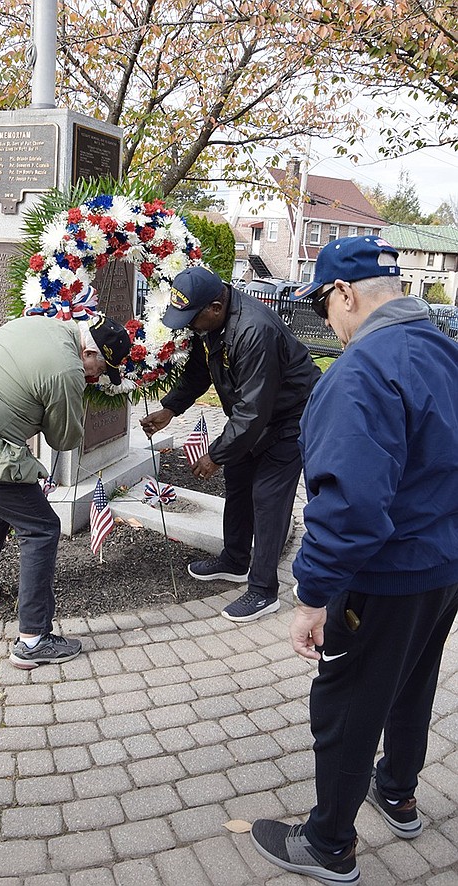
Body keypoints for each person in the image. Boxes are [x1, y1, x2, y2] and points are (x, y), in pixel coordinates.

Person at [250, 236, 458, 886]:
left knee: (347, 703)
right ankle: (396, 792)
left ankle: (328, 844)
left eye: (323, 303)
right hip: (443, 567)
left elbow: (351, 509)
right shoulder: (445, 352)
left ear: (345, 294)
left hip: (385, 575)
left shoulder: (363, 370)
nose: (327, 320)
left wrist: (311, 598)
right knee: (412, 683)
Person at [0, 312, 131, 669]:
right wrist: (76, 395)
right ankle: (33, 640)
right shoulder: (67, 371)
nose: (96, 377)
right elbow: (64, 438)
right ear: (90, 352)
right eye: (101, 369)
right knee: (42, 527)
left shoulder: (35, 323)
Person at [140, 266, 320, 622]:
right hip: (254, 417)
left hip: (289, 419)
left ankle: (263, 591)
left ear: (216, 308)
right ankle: (235, 561)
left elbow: (254, 409)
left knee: (268, 499)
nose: (189, 325)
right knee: (238, 487)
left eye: (192, 319)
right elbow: (199, 371)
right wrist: (171, 409)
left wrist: (216, 454)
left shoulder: (254, 330)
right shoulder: (210, 322)